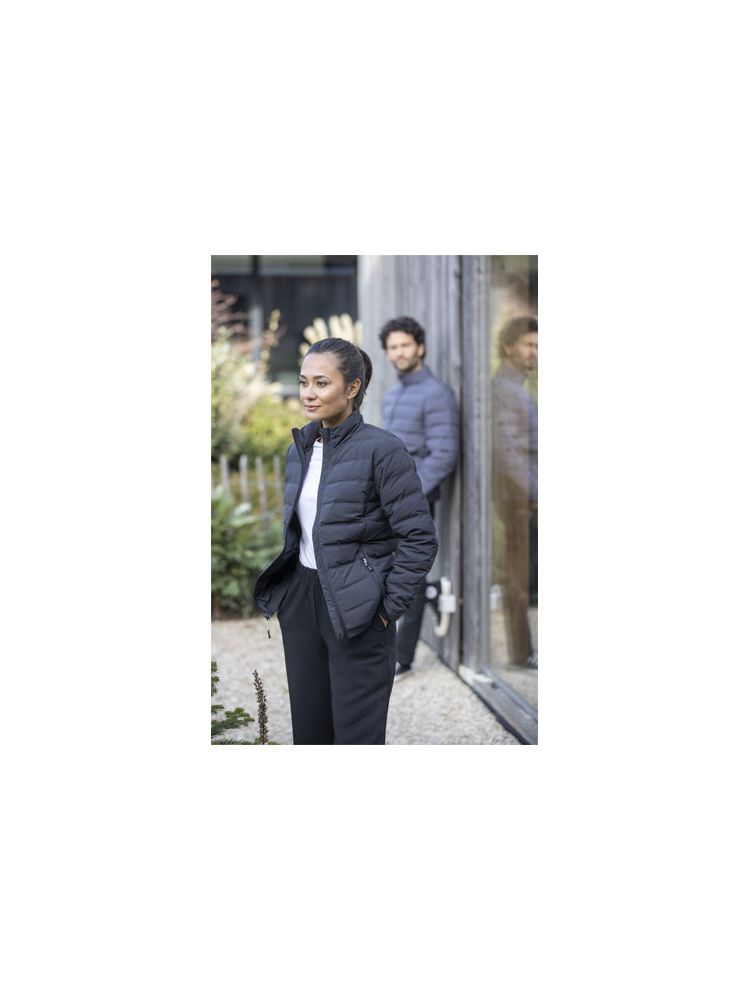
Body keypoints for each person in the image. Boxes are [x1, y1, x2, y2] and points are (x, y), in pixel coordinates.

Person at [254, 337, 438, 744]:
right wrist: (289, 597)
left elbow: (419, 537)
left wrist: (387, 609)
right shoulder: (300, 449)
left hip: (359, 607)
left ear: (352, 387)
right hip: (302, 600)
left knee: (357, 735)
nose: (308, 393)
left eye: (322, 383)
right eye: (304, 382)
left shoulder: (383, 450)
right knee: (310, 731)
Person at [379, 316, 459, 680]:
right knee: (390, 571)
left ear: (420, 348)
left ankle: (402, 658)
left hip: (417, 500)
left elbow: (443, 454)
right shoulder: (393, 395)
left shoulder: (436, 393)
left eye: (405, 345)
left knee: (408, 573)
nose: (399, 353)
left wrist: (410, 495)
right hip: (389, 498)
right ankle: (430, 593)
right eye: (393, 347)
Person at [491, 316, 538, 668]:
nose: (535, 352)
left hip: (522, 493)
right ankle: (521, 654)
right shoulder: (506, 390)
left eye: (538, 346)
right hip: (516, 496)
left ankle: (523, 652)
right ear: (509, 347)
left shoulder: (516, 386)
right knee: (518, 578)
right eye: (529, 345)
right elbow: (508, 452)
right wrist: (537, 491)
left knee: (521, 576)